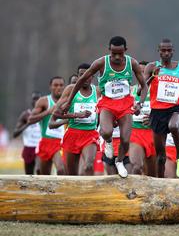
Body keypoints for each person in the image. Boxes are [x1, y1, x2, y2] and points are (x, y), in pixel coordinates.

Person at [62, 36, 148, 178]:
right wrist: (69, 101)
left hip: (125, 104)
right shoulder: (101, 63)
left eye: (120, 53)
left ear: (125, 50)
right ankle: (107, 142)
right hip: (107, 103)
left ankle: (119, 161)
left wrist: (140, 103)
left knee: (126, 140)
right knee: (107, 132)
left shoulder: (132, 63)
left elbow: (144, 86)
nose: (117, 57)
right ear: (109, 50)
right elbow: (80, 81)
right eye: (113, 53)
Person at [144, 38, 179, 178]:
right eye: (163, 50)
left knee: (173, 126)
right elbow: (142, 88)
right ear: (159, 52)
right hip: (157, 112)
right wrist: (153, 76)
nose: (166, 53)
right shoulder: (151, 67)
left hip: (175, 109)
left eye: (169, 50)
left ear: (173, 51)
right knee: (160, 157)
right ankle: (160, 182)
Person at [52, 63, 100, 175]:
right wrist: (77, 115)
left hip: (90, 134)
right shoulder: (70, 90)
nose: (84, 77)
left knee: (88, 166)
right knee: (72, 175)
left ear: (92, 76)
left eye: (87, 75)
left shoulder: (97, 91)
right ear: (78, 77)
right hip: (73, 134)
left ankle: (89, 191)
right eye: (81, 75)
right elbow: (56, 113)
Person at [28, 76, 66, 175]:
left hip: (61, 143)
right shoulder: (44, 101)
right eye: (56, 85)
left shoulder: (68, 101)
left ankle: (61, 190)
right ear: (50, 87)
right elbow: (30, 119)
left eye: (61, 85)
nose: (59, 87)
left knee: (61, 169)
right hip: (46, 142)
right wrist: (48, 112)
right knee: (42, 174)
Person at [128, 61, 156, 176]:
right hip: (136, 133)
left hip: (153, 133)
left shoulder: (156, 90)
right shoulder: (130, 90)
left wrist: (153, 119)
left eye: (145, 72)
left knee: (153, 174)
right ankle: (135, 193)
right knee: (137, 167)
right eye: (140, 72)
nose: (142, 75)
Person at [13, 91, 42, 174]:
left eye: (38, 99)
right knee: (29, 175)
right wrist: (28, 124)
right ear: (31, 101)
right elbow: (15, 134)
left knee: (38, 170)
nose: (36, 101)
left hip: (40, 147)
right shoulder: (25, 115)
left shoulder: (45, 114)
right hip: (29, 148)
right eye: (34, 99)